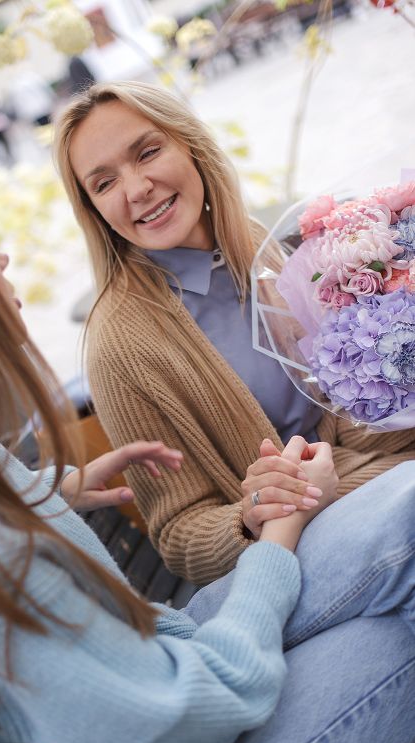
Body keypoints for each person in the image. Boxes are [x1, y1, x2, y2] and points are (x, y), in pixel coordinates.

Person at [0, 173, 413, 743]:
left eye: (150, 150)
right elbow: (183, 720)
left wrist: (50, 496)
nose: (1, 257)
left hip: (164, 659)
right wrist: (274, 533)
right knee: (395, 628)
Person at [55, 81, 415, 584]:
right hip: (299, 544)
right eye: (104, 183)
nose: (137, 189)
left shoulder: (252, 244)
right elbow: (180, 535)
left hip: (372, 476)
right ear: (94, 210)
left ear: (192, 146)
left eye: (148, 152)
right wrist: (251, 513)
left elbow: (346, 408)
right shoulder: (120, 347)